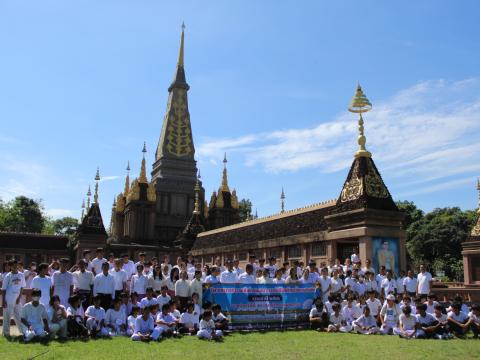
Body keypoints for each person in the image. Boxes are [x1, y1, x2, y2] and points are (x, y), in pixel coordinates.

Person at [2, 259, 26, 337]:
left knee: (19, 316)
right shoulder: (8, 276)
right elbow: (4, 289)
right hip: (8, 299)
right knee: (7, 317)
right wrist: (3, 301)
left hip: (17, 299)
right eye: (13, 265)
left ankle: (23, 332)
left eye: (16, 265)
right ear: (10, 266)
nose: (15, 267)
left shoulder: (21, 275)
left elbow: (22, 287)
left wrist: (19, 297)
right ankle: (6, 333)